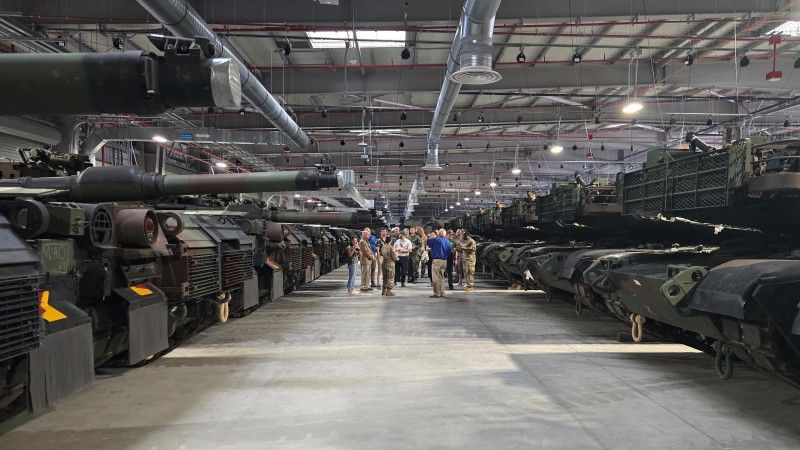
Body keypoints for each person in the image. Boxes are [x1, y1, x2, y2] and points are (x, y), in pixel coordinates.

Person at [427, 229, 452, 298]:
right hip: (444, 260)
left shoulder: (436, 240)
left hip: (437, 260)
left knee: (435, 277)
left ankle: (437, 293)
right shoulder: (448, 241)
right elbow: (449, 250)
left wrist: (430, 236)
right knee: (442, 277)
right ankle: (442, 292)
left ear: (439, 233)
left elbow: (427, 242)